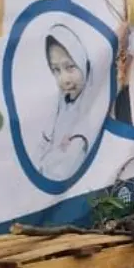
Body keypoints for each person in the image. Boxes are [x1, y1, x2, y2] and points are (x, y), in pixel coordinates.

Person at [36, 24, 99, 182]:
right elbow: (40, 150)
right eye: (56, 70)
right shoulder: (60, 106)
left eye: (70, 67)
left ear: (83, 63)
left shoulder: (94, 110)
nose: (64, 79)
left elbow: (63, 172)